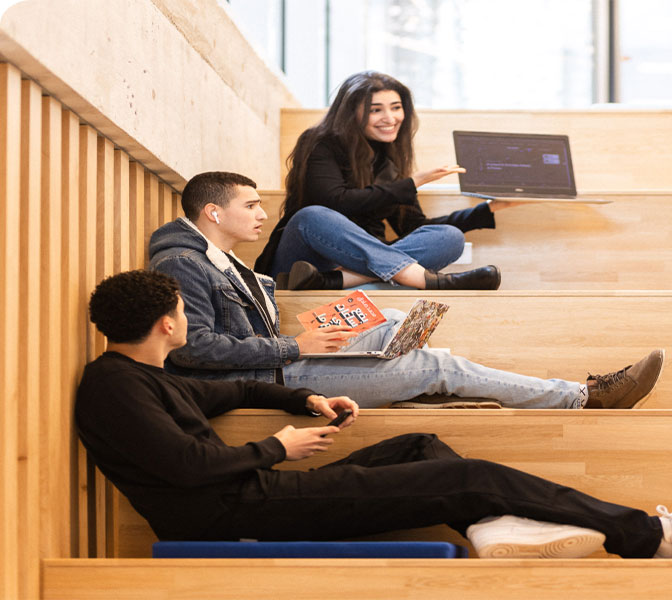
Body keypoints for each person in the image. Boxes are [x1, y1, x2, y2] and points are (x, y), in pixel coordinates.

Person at [75, 269, 672, 559]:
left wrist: (304, 399)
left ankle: (493, 527)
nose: (188, 320)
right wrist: (280, 447)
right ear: (168, 324)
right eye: (184, 312)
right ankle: (646, 535)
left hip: (254, 496)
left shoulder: (146, 375)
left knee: (419, 444)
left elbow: (228, 394)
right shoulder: (114, 388)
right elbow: (185, 465)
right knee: (471, 475)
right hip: (238, 516)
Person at [148, 171, 665, 410]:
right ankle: (581, 397)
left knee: (392, 318)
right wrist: (294, 345)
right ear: (214, 212)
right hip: (272, 377)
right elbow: (192, 350)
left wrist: (319, 328)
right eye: (251, 205)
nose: (263, 214)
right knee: (439, 364)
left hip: (281, 360)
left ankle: (409, 383)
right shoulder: (183, 263)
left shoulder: (222, 260)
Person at [254, 70, 515, 291]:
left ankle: (336, 281)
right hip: (304, 261)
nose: (390, 118)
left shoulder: (391, 161)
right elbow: (334, 201)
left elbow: (413, 227)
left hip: (329, 274)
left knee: (450, 237)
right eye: (375, 110)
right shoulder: (320, 143)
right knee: (311, 216)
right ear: (351, 113)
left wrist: (489, 209)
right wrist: (411, 184)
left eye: (396, 108)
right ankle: (420, 279)